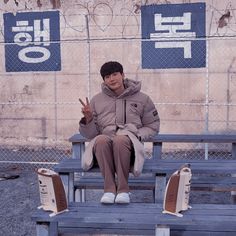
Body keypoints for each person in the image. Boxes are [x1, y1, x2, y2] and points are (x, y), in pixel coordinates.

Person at [79, 61, 160, 204]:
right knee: (101, 139)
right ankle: (109, 190)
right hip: (104, 151)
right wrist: (88, 119)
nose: (112, 79)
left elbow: (153, 125)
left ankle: (123, 190)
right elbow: (91, 135)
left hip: (130, 148)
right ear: (104, 80)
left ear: (123, 75)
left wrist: (138, 135)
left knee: (121, 139)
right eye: (107, 76)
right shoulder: (96, 100)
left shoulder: (142, 99)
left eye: (115, 74)